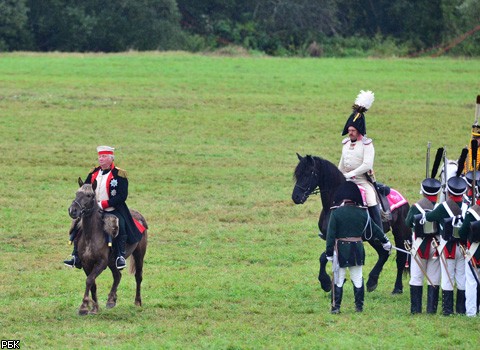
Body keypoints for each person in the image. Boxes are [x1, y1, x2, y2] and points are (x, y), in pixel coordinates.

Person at [63, 146, 142, 270]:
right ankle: (75, 256)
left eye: (104, 156)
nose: (101, 159)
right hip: (92, 209)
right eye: (100, 156)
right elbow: (85, 188)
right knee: (77, 225)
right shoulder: (93, 172)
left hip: (112, 209)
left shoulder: (119, 174)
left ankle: (120, 256)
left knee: (120, 224)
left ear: (111, 158)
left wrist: (104, 204)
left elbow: (122, 196)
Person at [326, 181, 392, 314]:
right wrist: (386, 242)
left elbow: (330, 235)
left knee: (339, 279)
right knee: (357, 278)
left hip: (341, 250)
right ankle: (359, 307)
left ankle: (336, 307)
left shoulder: (336, 213)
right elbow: (375, 229)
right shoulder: (363, 213)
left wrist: (329, 253)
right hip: (357, 249)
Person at [338, 90, 383, 230]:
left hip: (362, 180)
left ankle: (379, 229)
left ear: (359, 130)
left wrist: (351, 174)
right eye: (349, 130)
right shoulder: (345, 144)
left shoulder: (367, 144)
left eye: (353, 130)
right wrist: (338, 176)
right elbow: (342, 164)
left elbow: (367, 164)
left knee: (370, 199)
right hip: (346, 179)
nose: (350, 132)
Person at [424, 176, 467, 316]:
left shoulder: (443, 207)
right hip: (464, 248)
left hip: (448, 247)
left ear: (448, 192)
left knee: (448, 279)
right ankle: (461, 309)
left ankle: (447, 311)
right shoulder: (467, 206)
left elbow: (429, 218)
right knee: (461, 278)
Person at [405, 177, 442, 314]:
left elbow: (408, 223)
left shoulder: (416, 207)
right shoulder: (440, 208)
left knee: (416, 277)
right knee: (434, 277)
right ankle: (431, 310)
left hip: (419, 246)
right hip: (436, 246)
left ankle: (416, 310)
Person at [459, 192, 480, 317]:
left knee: (471, 283)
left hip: (474, 252)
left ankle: (471, 312)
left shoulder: (472, 212)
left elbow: (462, 232)